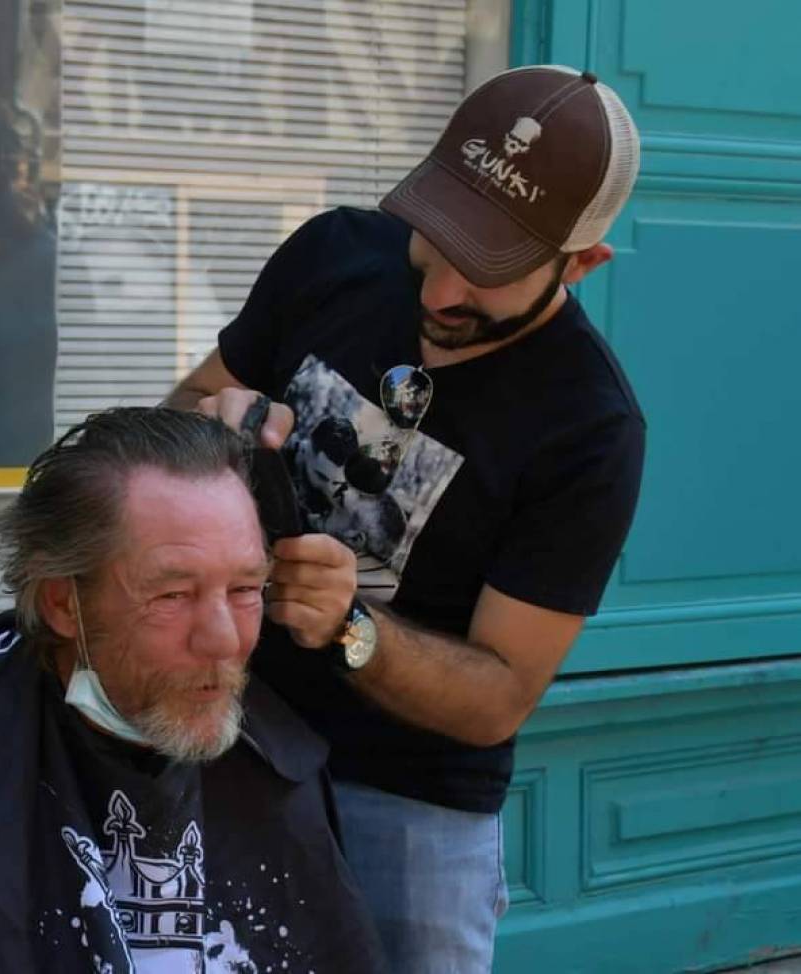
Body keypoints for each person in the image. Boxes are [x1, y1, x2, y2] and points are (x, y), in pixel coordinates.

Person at [167, 66, 647, 972]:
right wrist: (212, 429)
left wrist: (352, 630)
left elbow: (499, 696)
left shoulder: (592, 427)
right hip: (219, 730)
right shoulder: (335, 253)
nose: (440, 295)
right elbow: (188, 404)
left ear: (583, 263)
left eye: (491, 270)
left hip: (409, 805)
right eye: (437, 240)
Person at [0, 407, 386, 973]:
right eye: (172, 596)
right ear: (62, 603)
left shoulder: (275, 768)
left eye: (245, 588)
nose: (223, 641)